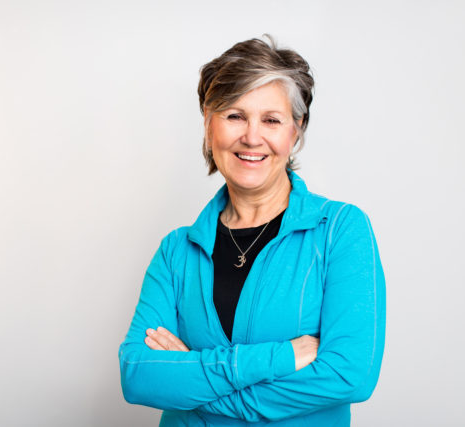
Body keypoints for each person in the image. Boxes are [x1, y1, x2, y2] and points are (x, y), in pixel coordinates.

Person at [118, 36, 386, 426]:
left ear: (296, 130)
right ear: (208, 123)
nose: (252, 137)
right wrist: (278, 358)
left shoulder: (340, 231)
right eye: (235, 115)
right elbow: (138, 376)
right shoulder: (176, 251)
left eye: (271, 120)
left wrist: (193, 384)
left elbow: (350, 376)